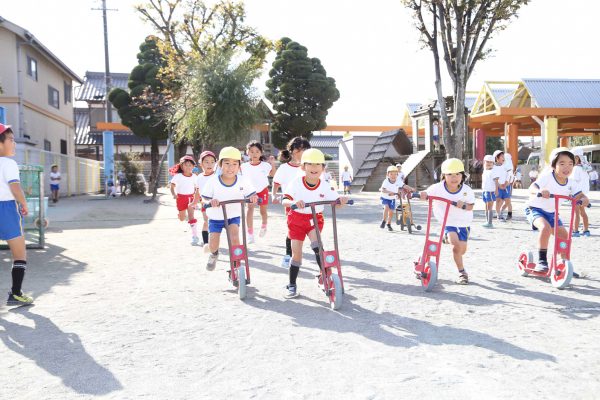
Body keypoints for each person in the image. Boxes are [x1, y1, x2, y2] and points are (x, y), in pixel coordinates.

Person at [281, 149, 349, 298]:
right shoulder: (296, 183)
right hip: (296, 219)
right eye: (310, 164)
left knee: (318, 246)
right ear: (303, 167)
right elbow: (284, 200)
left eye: (318, 164)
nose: (314, 168)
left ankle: (324, 276)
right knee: (297, 254)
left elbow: (336, 203)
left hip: (314, 219)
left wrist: (342, 200)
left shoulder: (325, 185)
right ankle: (292, 284)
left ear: (323, 168)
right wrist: (293, 202)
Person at [525, 147, 589, 272]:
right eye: (562, 163)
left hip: (552, 212)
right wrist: (539, 191)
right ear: (554, 165)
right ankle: (542, 261)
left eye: (570, 164)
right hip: (535, 209)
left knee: (564, 235)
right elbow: (533, 186)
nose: (567, 167)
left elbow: (580, 195)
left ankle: (564, 262)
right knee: (545, 228)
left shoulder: (571, 182)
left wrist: (585, 199)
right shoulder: (547, 176)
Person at [419, 158, 475, 284]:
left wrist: (463, 206)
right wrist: (422, 195)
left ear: (462, 175)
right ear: (443, 175)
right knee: (456, 247)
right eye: (450, 174)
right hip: (448, 222)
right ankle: (462, 273)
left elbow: (471, 206)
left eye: (457, 174)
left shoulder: (467, 191)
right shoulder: (437, 188)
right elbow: (426, 194)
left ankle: (446, 238)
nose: (454, 178)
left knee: (462, 250)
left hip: (464, 223)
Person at [201, 147, 258, 272]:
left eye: (234, 164)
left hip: (233, 216)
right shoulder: (213, 181)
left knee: (235, 237)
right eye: (227, 163)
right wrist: (210, 202)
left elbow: (252, 194)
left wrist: (253, 198)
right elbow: (204, 199)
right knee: (214, 244)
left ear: (239, 166)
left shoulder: (243, 180)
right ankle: (214, 254)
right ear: (220, 164)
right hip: (216, 218)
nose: (230, 167)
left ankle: (236, 264)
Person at [0, 123, 34, 305]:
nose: (14, 143)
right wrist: (24, 203)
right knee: (20, 254)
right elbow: (15, 186)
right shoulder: (8, 163)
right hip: (6, 209)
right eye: (11, 140)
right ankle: (15, 293)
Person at [272, 137, 311, 268]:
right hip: (291, 204)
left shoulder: (309, 167)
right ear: (292, 151)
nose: (302, 152)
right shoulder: (284, 168)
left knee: (311, 229)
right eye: (299, 149)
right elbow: (276, 182)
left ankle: (317, 254)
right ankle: (288, 255)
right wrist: (274, 194)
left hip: (308, 205)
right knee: (292, 230)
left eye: (305, 149)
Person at [240, 140, 277, 244]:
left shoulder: (265, 165)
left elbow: (273, 174)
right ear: (247, 152)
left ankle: (264, 225)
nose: (254, 154)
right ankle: (250, 234)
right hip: (250, 192)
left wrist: (272, 164)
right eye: (251, 151)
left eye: (257, 151)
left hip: (262, 191)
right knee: (249, 209)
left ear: (261, 152)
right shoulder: (243, 166)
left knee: (263, 212)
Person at [169, 155, 200, 245]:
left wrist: (197, 199)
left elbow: (198, 188)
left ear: (193, 166)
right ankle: (181, 215)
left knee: (191, 216)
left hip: (191, 198)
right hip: (180, 198)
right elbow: (172, 186)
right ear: (182, 166)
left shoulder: (195, 177)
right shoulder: (178, 176)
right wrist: (174, 194)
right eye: (186, 165)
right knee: (182, 219)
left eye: (190, 165)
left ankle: (194, 236)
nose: (188, 167)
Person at [379, 165, 413, 231]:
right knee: (386, 207)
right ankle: (384, 221)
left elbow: (404, 186)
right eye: (391, 174)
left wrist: (411, 188)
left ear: (397, 175)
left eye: (395, 174)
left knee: (391, 212)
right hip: (385, 197)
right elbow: (383, 189)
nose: (393, 176)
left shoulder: (398, 181)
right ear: (387, 174)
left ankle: (388, 224)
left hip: (392, 198)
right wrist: (390, 192)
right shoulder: (386, 181)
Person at [196, 150, 217, 249]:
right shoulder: (199, 177)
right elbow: (198, 191)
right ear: (201, 164)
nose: (210, 164)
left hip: (218, 204)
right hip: (205, 204)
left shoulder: (217, 176)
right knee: (206, 221)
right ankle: (205, 243)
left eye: (212, 162)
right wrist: (194, 202)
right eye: (206, 162)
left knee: (217, 223)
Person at [570, 148, 591, 237]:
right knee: (583, 213)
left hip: (576, 194)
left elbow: (572, 181)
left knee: (576, 213)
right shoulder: (584, 168)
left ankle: (575, 231)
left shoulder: (575, 169)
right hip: (583, 194)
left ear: (577, 158)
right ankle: (586, 230)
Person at [481, 155, 499, 228]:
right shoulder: (485, 171)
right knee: (486, 206)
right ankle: (487, 220)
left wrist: (496, 190)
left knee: (489, 206)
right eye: (487, 162)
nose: (488, 163)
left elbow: (496, 181)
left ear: (493, 164)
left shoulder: (493, 171)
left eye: (490, 162)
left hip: (491, 191)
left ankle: (490, 222)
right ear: (484, 162)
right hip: (485, 191)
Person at [492, 150, 508, 222]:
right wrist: (498, 186)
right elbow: (494, 178)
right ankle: (499, 215)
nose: (503, 158)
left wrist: (506, 184)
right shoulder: (494, 167)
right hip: (497, 186)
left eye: (503, 156)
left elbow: (507, 176)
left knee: (503, 201)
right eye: (501, 156)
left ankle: (498, 212)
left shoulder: (504, 166)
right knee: (498, 201)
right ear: (497, 158)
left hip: (504, 186)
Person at [500, 152, 514, 220]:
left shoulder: (509, 167)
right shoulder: (504, 165)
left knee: (507, 201)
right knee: (503, 200)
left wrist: (506, 185)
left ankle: (509, 214)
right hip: (503, 185)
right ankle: (500, 212)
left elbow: (510, 178)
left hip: (507, 186)